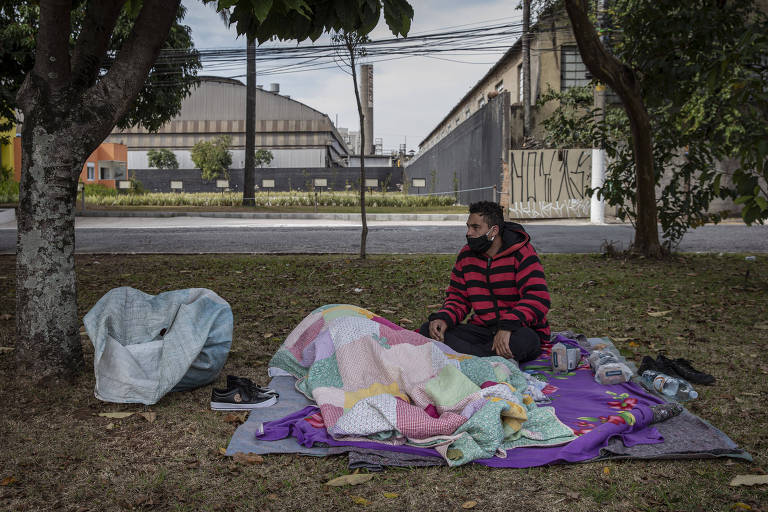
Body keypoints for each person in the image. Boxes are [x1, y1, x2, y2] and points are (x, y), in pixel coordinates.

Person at [419, 201, 550, 363]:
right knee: (428, 329)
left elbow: (538, 298)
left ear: (493, 230)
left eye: (475, 228)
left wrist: (508, 326)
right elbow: (458, 298)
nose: (468, 233)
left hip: (518, 330)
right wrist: (444, 318)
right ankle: (490, 360)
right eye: (468, 227)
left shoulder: (522, 253)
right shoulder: (466, 256)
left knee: (526, 340)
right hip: (482, 331)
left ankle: (466, 358)